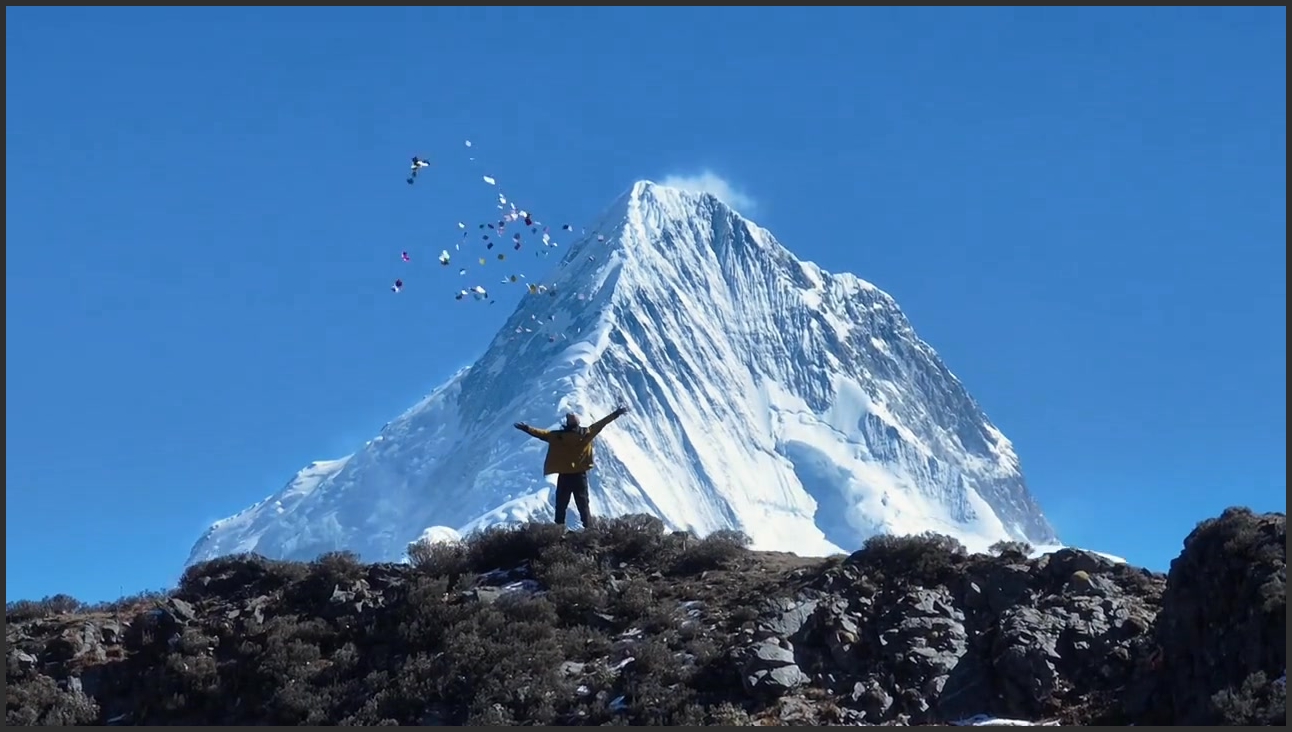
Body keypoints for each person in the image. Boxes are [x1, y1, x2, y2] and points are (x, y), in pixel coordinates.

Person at [514, 406, 630, 529]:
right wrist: (616, 413)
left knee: (561, 505)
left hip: (564, 476)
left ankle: (558, 530)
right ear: (578, 422)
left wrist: (527, 428)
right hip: (580, 475)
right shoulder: (587, 433)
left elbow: (541, 434)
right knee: (583, 504)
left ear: (567, 423)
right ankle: (589, 529)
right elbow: (602, 423)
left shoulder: (557, 436)